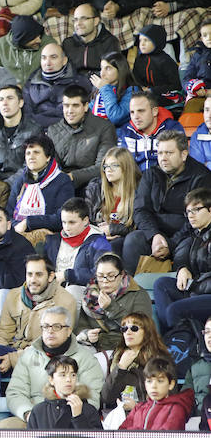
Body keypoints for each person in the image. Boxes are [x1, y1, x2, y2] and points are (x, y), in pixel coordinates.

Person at [0, 255, 78, 396]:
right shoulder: (14, 295)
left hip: (44, 358)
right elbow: (3, 333)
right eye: (29, 274)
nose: (33, 280)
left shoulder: (66, 301)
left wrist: (14, 358)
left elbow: (52, 345)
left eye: (39, 275)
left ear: (50, 276)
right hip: (14, 350)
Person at [0, 306, 103, 429]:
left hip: (71, 419)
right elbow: (15, 392)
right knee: (6, 426)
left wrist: (70, 416)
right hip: (34, 416)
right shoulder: (28, 355)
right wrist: (29, 414)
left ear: (69, 330)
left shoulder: (86, 359)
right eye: (46, 326)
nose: (50, 331)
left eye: (57, 327)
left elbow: (92, 398)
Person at [123, 131, 211, 274]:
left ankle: (173, 290)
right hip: (156, 233)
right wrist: (154, 235)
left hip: (187, 236)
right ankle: (132, 290)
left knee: (187, 247)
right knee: (133, 240)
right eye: (160, 153)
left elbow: (197, 219)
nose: (163, 158)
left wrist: (170, 244)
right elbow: (140, 210)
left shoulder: (201, 177)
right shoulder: (151, 174)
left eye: (169, 153)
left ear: (183, 155)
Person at [152, 188, 211, 331]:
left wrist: (195, 288)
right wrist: (182, 268)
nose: (191, 216)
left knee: (174, 310)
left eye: (196, 210)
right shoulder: (195, 232)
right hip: (198, 288)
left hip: (206, 292)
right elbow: (181, 250)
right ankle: (176, 338)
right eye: (188, 212)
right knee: (162, 284)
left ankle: (178, 343)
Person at [74, 252, 152, 352]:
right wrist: (87, 333)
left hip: (125, 347)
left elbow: (141, 328)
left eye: (111, 276)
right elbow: (81, 325)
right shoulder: (90, 294)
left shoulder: (138, 294)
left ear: (121, 275)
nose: (105, 281)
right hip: (96, 347)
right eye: (101, 276)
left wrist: (111, 307)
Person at [47, 84, 118, 190]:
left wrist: (72, 176)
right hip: (61, 185)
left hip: (92, 185)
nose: (70, 111)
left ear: (85, 107)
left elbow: (102, 167)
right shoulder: (53, 130)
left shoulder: (104, 127)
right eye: (66, 106)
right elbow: (51, 165)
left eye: (75, 106)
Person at [100, 311, 171, 412]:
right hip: (121, 418)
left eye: (134, 328)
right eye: (124, 329)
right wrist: (121, 367)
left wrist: (138, 407)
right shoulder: (117, 357)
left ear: (146, 332)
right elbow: (107, 398)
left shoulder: (160, 360)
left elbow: (168, 399)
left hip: (150, 418)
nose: (128, 332)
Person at [8, 135, 75, 238]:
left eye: (36, 152)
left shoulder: (62, 181)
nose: (31, 157)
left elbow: (62, 218)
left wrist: (28, 222)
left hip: (48, 237)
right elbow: (8, 215)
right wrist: (16, 226)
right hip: (17, 234)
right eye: (28, 153)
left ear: (48, 157)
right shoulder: (20, 182)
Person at [0, 84, 44, 179]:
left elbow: (31, 167)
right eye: (1, 99)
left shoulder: (34, 130)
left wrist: (7, 185)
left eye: (10, 98)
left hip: (21, 185)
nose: (4, 103)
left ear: (21, 103)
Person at [84, 147, 141, 252]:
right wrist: (100, 233)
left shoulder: (140, 190)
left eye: (114, 165)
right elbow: (86, 221)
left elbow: (139, 226)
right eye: (106, 166)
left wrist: (112, 229)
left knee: (113, 246)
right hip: (99, 238)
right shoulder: (95, 188)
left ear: (126, 167)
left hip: (125, 242)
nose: (108, 170)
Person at [23, 42, 92, 127]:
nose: (47, 63)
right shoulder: (31, 84)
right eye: (44, 58)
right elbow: (27, 115)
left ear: (64, 60)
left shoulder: (80, 83)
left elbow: (84, 114)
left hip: (70, 131)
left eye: (53, 57)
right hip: (37, 130)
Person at [26, 356, 102, 429]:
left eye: (73, 375)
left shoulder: (89, 409)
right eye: (63, 375)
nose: (69, 379)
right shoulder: (39, 411)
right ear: (51, 379)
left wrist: (79, 417)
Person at [119, 356, 194, 430]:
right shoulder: (138, 408)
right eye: (149, 381)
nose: (153, 386)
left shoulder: (176, 409)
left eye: (160, 381)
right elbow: (122, 432)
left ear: (171, 384)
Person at [117, 91, 185, 171]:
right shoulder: (125, 132)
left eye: (141, 111)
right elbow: (121, 165)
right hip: (136, 181)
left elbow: (178, 164)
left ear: (154, 111)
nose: (135, 117)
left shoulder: (172, 129)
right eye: (132, 112)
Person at [60, 3, 121, 76]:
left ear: (96, 21)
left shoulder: (110, 42)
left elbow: (113, 73)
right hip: (73, 84)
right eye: (75, 20)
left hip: (99, 83)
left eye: (83, 19)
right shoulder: (68, 43)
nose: (78, 23)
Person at [132, 24, 184, 107]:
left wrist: (153, 90)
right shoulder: (139, 59)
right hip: (144, 94)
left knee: (151, 101)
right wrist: (141, 88)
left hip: (162, 95)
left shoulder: (165, 61)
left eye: (146, 40)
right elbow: (135, 79)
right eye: (140, 40)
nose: (142, 44)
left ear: (156, 41)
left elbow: (176, 85)